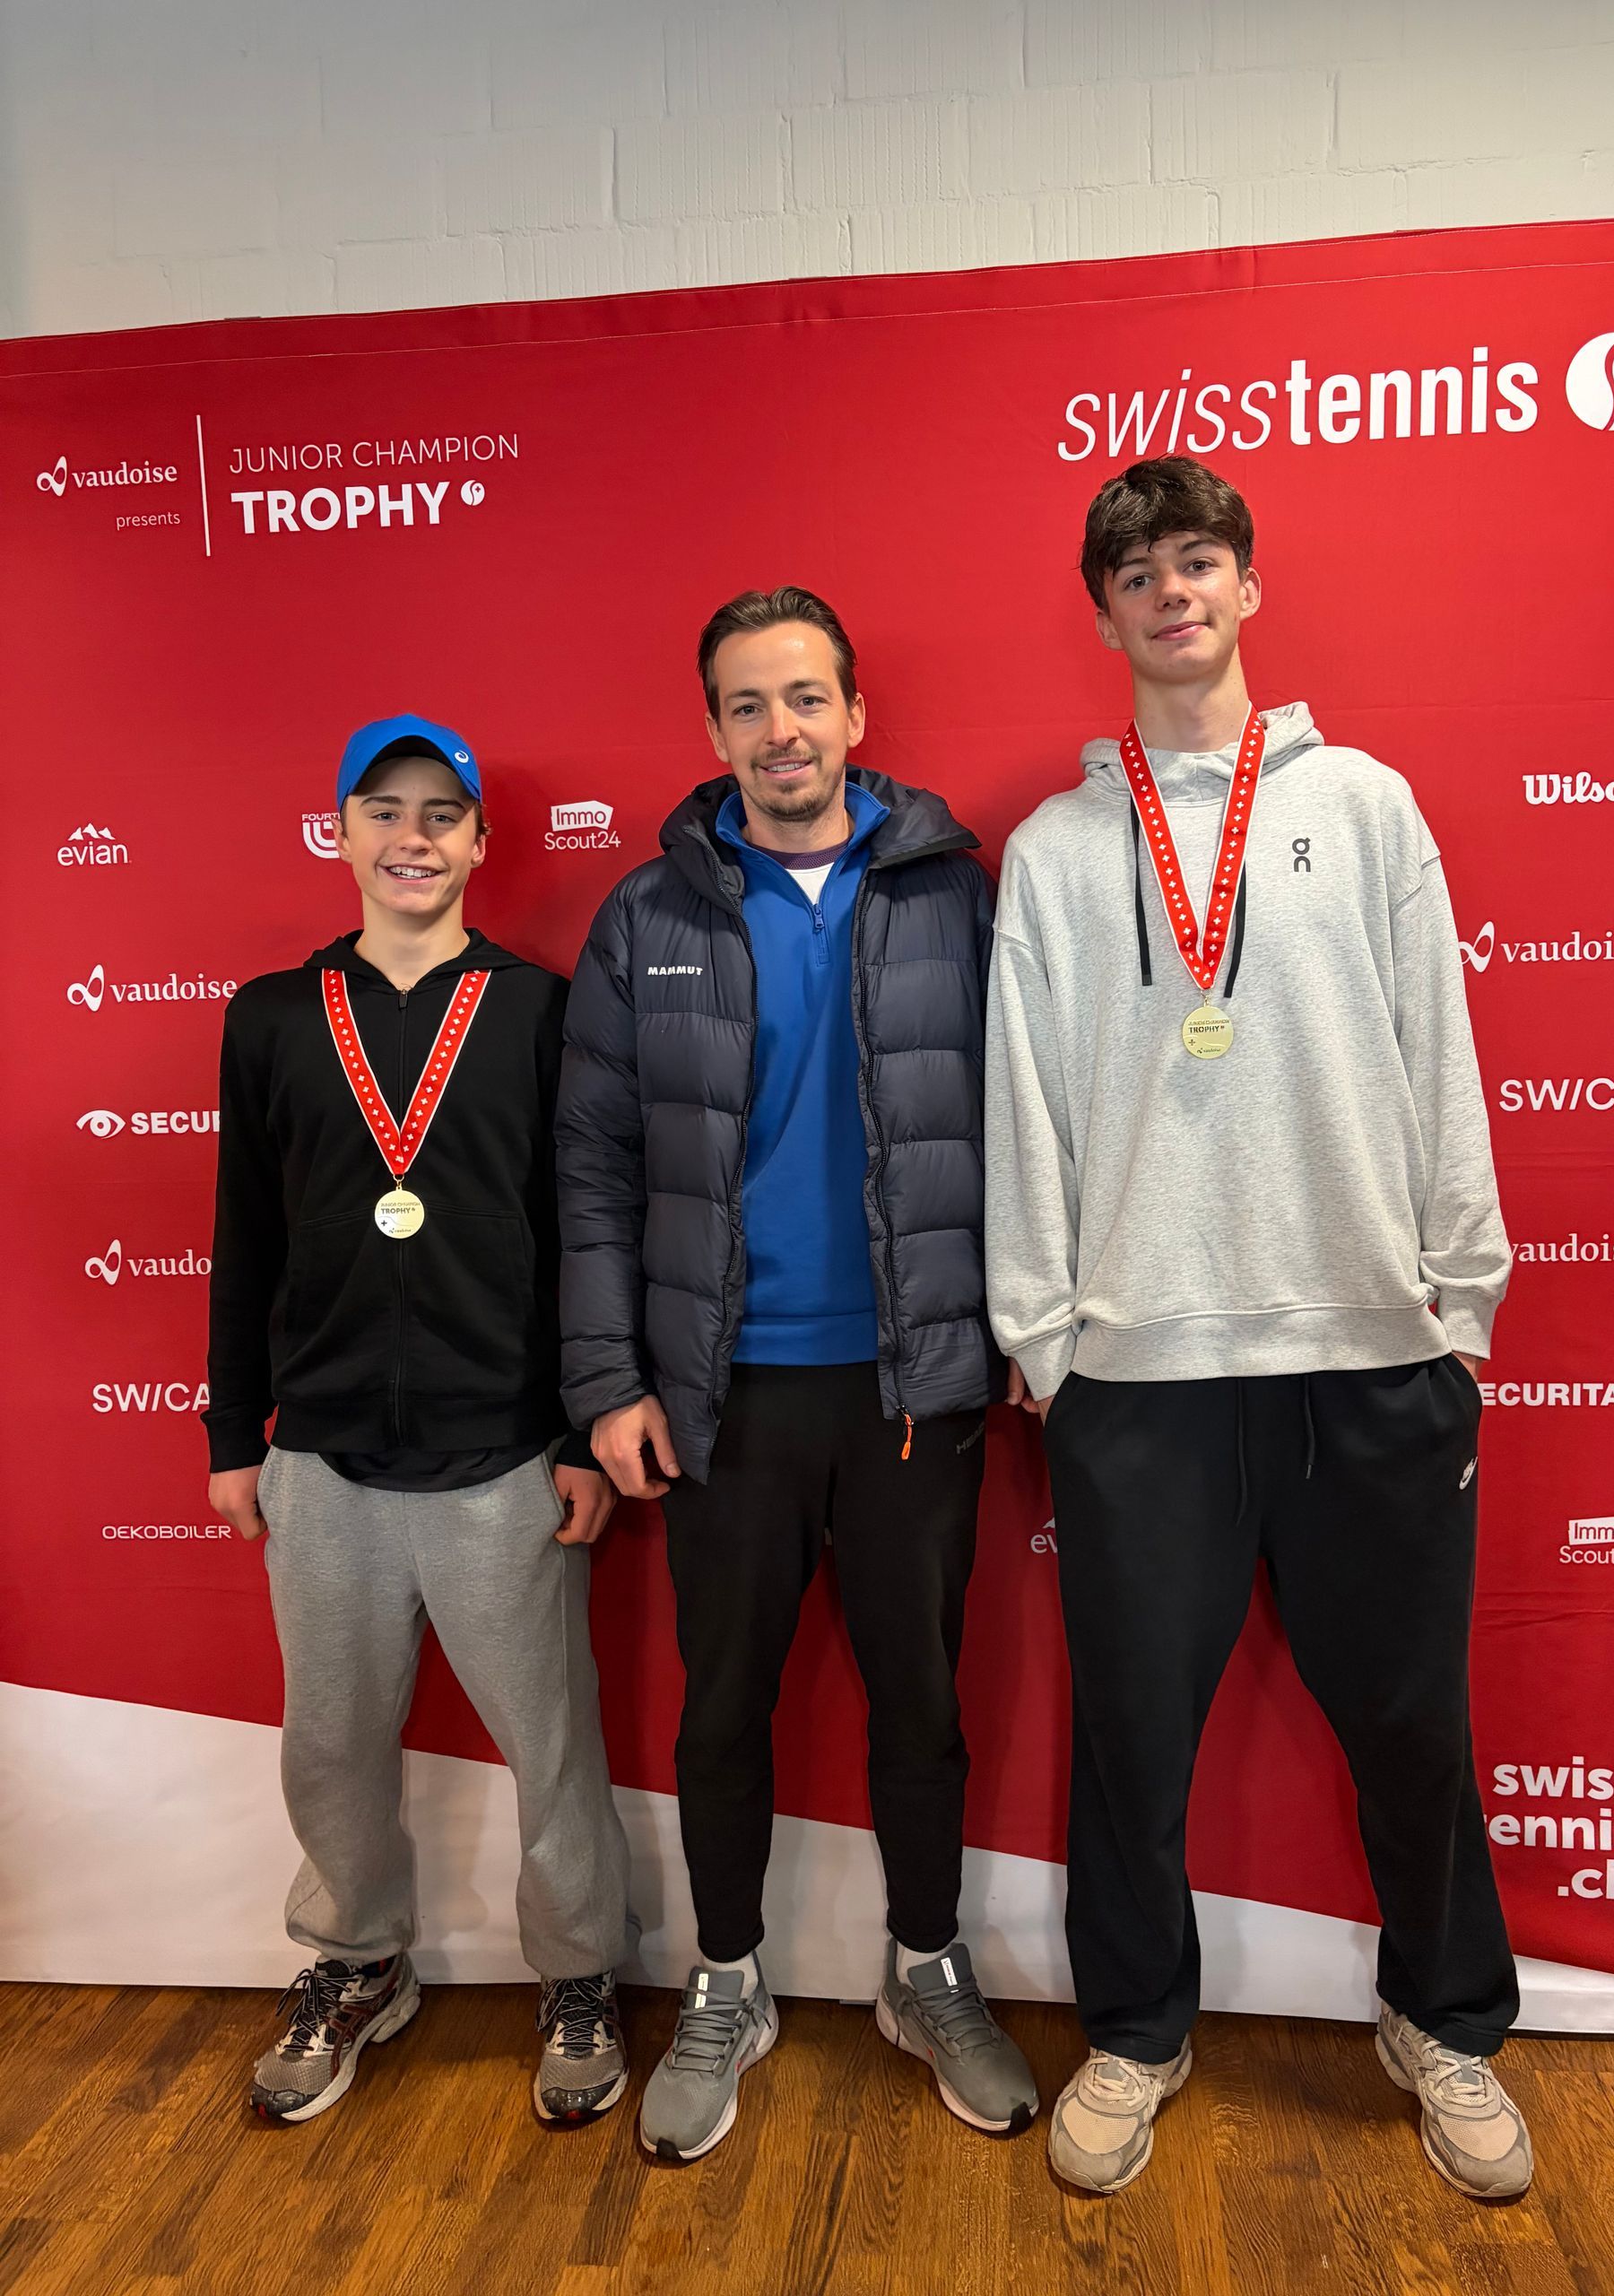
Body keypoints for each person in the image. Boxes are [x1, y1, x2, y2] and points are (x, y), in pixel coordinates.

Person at [985, 458, 1531, 2201]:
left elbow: (1437, 1041)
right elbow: (1022, 1102)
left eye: (1198, 559)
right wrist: (1046, 1338)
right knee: (1132, 1743)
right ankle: (1136, 2031)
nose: (1172, 590)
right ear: (1105, 614)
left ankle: (1443, 2020)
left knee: (1414, 1727)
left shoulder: (1363, 806)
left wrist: (1460, 1301)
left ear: (1247, 587)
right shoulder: (1057, 852)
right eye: (1137, 571)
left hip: (1370, 1353)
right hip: (1144, 1375)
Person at [557, 587, 1037, 2162]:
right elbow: (594, 1168)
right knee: (722, 1715)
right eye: (749, 705)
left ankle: (926, 1968)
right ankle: (727, 1982)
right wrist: (606, 1382)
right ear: (714, 731)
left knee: (921, 1706)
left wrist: (1033, 1328)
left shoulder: (958, 895)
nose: (782, 732)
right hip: (722, 1395)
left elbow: (1040, 1123)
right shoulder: (650, 915)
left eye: (807, 697)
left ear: (855, 714)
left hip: (916, 1388)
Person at [204, 712, 629, 2126]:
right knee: (329, 1744)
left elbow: (580, 1234)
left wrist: (576, 1429)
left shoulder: (540, 1010)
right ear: (339, 833)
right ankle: (358, 1959)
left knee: (551, 1746)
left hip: (502, 1455)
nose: (412, 837)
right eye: (383, 811)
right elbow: (245, 1238)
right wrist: (232, 1434)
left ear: (481, 842)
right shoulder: (272, 1016)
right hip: (321, 1455)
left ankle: (578, 1973)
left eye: (441, 814)